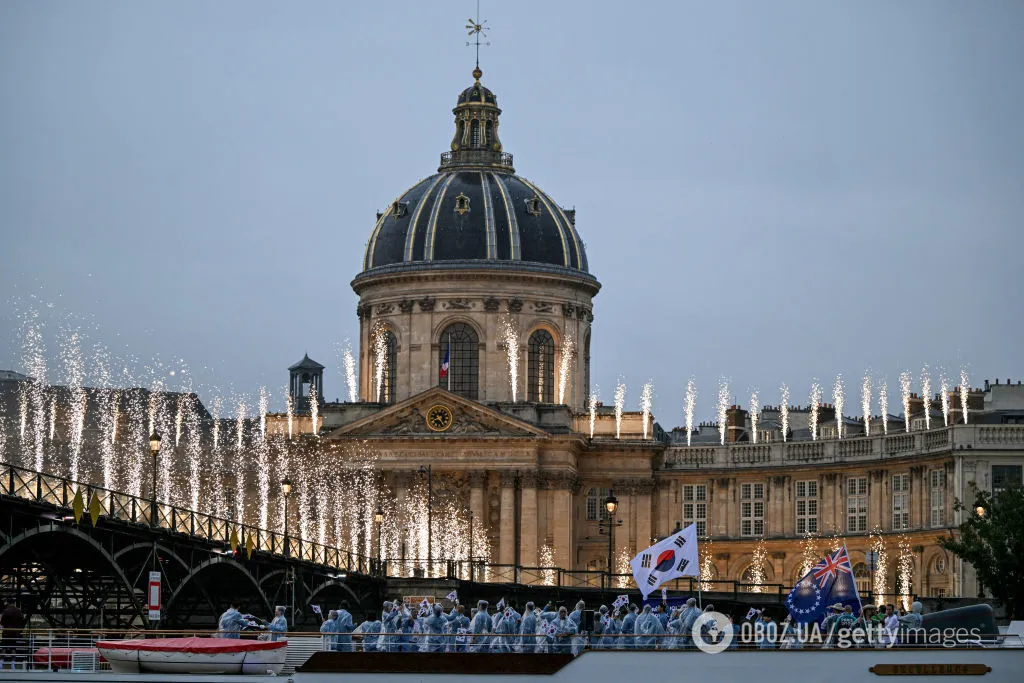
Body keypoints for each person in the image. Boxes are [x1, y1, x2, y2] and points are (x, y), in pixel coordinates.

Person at [0, 601, 25, 671]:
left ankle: (1, 664)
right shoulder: (18, 611)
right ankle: (13, 664)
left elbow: (2, 622)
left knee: (3, 648)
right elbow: (22, 622)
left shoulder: (6, 611)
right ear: (14, 603)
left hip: (6, 632)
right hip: (14, 632)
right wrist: (19, 631)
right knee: (13, 648)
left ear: (8, 603)